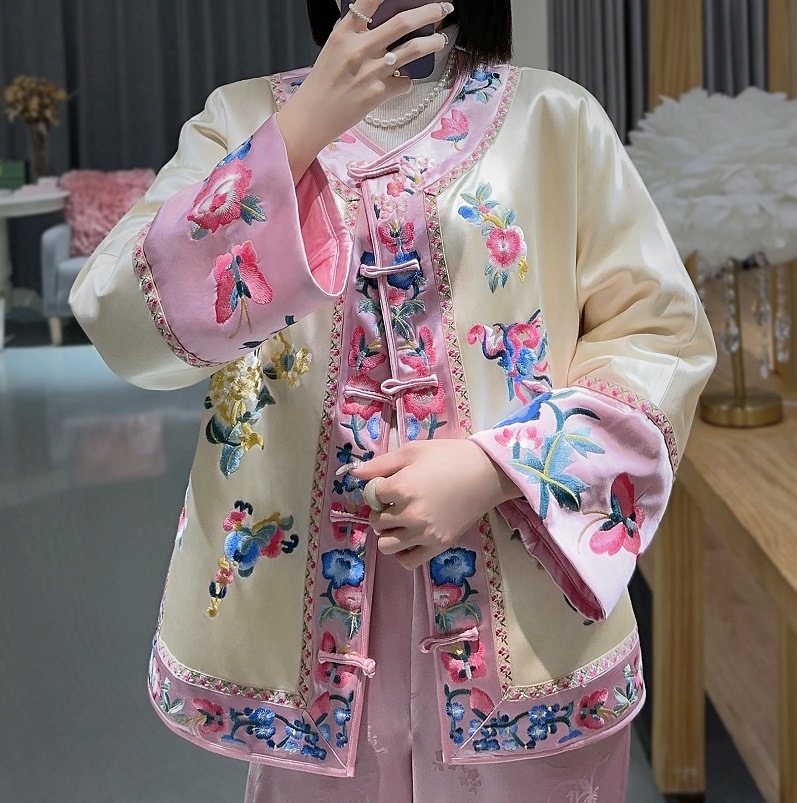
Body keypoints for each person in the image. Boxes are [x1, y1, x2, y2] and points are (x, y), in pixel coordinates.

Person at [70, 1, 717, 800]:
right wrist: (297, 132)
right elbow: (122, 318)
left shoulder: (552, 118)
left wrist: (497, 466)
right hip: (303, 644)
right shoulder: (239, 119)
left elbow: (658, 335)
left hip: (523, 621)